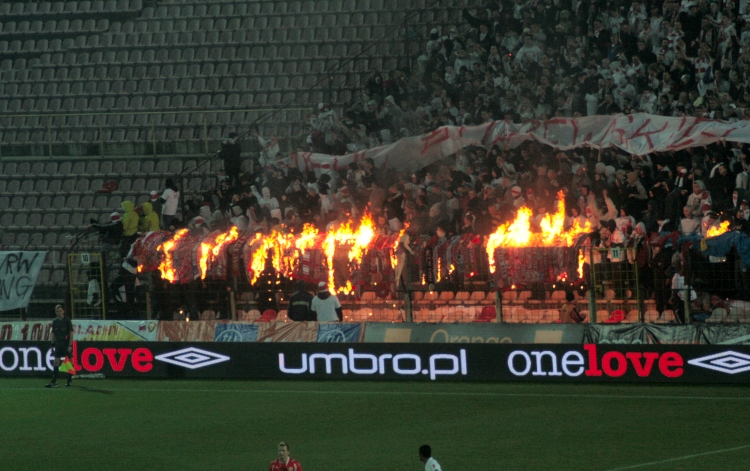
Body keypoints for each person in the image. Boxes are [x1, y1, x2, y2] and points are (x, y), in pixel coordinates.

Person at [45, 305, 74, 388]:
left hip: (66, 343)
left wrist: (70, 345)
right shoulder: (55, 321)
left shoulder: (67, 321)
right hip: (58, 343)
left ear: (63, 311)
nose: (59, 313)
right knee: (56, 361)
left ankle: (69, 380)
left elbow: (71, 333)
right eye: (57, 311)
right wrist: (52, 344)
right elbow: (53, 333)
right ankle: (54, 381)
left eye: (60, 311)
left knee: (69, 361)